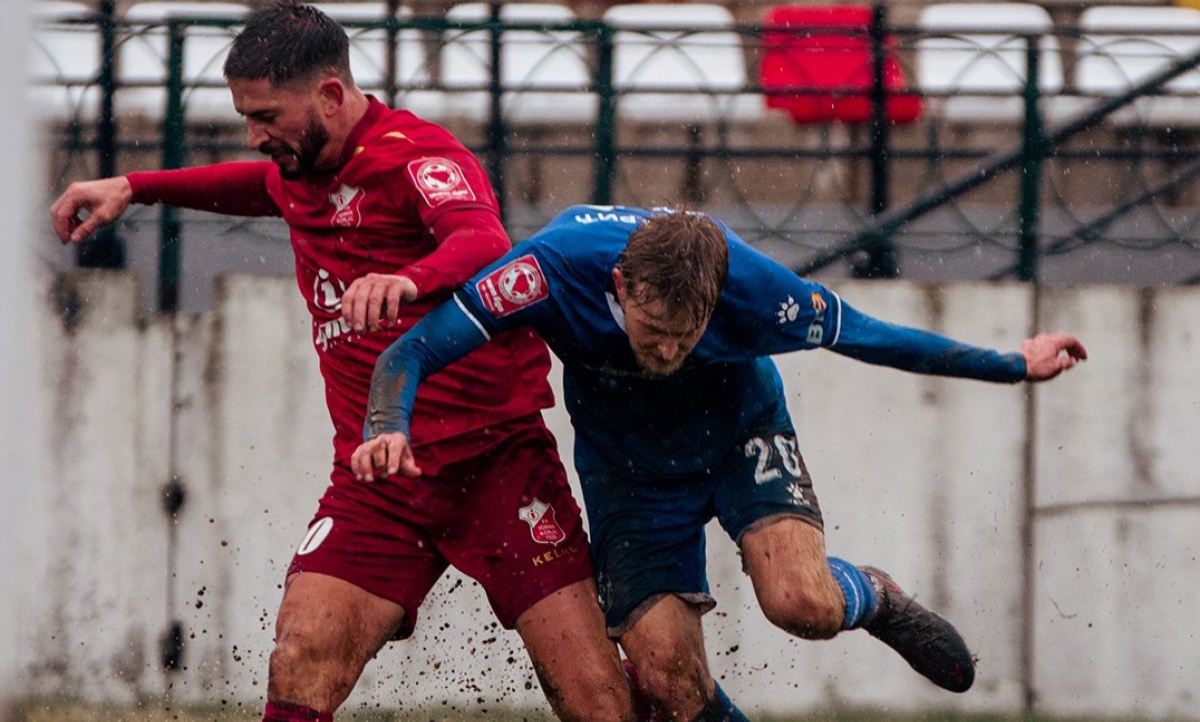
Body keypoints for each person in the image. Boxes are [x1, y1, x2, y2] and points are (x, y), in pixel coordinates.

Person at [49, 0, 637, 722]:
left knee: (597, 702)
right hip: (378, 475)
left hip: (498, 461)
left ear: (330, 94)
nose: (255, 135)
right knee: (301, 659)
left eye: (267, 117)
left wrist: (410, 279)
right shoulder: (301, 167)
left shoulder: (417, 156)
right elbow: (254, 185)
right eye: (246, 117)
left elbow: (483, 240)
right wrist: (135, 187)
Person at [354, 205, 1088, 722]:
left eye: (685, 334)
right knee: (670, 680)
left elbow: (868, 335)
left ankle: (874, 595)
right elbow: (410, 351)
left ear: (716, 304)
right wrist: (388, 426)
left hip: (738, 434)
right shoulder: (549, 270)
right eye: (652, 330)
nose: (667, 351)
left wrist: (1010, 365)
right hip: (628, 472)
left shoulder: (757, 288)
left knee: (800, 605)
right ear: (620, 288)